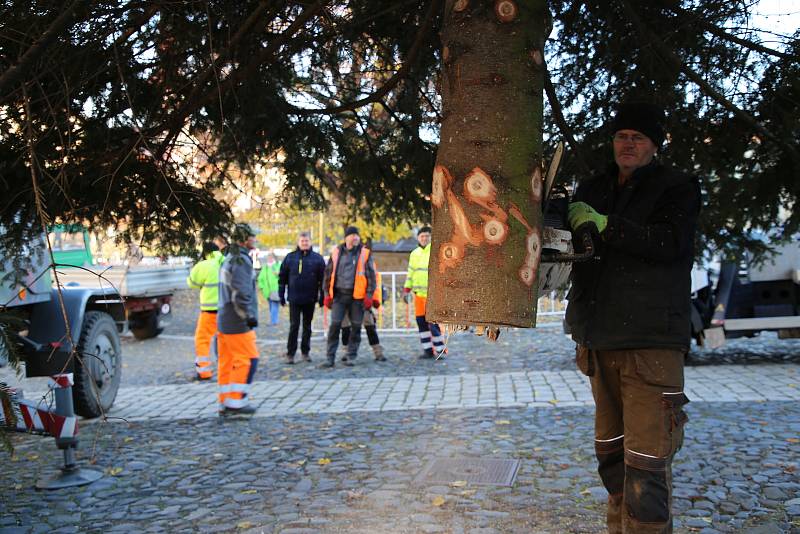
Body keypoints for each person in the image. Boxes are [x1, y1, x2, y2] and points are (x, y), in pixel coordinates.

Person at [565, 102, 701, 534]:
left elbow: (671, 243)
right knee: (612, 461)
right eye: (621, 135)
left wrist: (607, 224)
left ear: (654, 145)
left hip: (650, 345)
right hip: (599, 342)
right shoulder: (594, 186)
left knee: (646, 469)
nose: (627, 143)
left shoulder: (677, 188)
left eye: (638, 137)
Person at [217, 224, 260, 415]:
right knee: (249, 359)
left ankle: (226, 400)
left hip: (225, 318)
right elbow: (241, 293)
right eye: (252, 237)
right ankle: (237, 402)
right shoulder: (241, 260)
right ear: (244, 239)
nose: (255, 239)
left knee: (227, 361)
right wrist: (249, 316)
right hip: (237, 320)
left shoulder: (229, 258)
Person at [320, 226, 376, 368]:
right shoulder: (336, 252)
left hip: (357, 297)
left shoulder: (365, 253)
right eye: (353, 235)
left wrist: (369, 296)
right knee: (335, 325)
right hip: (339, 296)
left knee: (356, 327)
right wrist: (326, 295)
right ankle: (330, 358)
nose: (356, 238)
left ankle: (351, 355)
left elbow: (371, 277)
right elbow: (327, 275)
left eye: (357, 236)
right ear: (347, 238)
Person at [278, 232, 326, 364]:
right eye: (302, 241)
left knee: (307, 326)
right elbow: (282, 278)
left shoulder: (317, 259)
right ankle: (290, 353)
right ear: (298, 242)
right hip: (294, 298)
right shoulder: (290, 258)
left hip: (310, 298)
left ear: (310, 242)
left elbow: (323, 280)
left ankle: (305, 352)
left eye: (307, 241)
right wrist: (281, 295)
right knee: (294, 326)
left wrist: (322, 296)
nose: (304, 243)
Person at [403, 226, 445, 359]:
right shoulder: (414, 254)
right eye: (422, 236)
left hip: (432, 295)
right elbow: (410, 273)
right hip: (418, 295)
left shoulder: (435, 251)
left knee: (433, 324)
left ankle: (440, 350)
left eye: (427, 236)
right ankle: (427, 350)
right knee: (421, 323)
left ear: (430, 237)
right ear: (418, 238)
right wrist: (406, 289)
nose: (424, 238)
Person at [186, 241, 223, 380]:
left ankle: (204, 371)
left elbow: (192, 283)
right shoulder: (226, 262)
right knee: (225, 340)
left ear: (205, 252)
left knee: (202, 340)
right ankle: (229, 368)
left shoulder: (203, 265)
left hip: (209, 310)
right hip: (226, 311)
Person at [341, 251, 386, 362]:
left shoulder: (365, 257)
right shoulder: (341, 256)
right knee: (345, 327)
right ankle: (346, 352)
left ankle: (378, 351)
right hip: (345, 299)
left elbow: (373, 280)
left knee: (370, 325)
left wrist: (373, 298)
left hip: (362, 299)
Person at [257, 251, 282, 326]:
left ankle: (274, 321)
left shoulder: (278, 265)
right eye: (268, 258)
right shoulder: (265, 267)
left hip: (276, 289)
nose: (270, 259)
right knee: (271, 306)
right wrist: (261, 286)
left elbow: (283, 275)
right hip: (267, 290)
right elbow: (260, 278)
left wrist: (278, 274)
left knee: (274, 305)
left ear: (275, 258)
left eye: (271, 257)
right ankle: (274, 320)